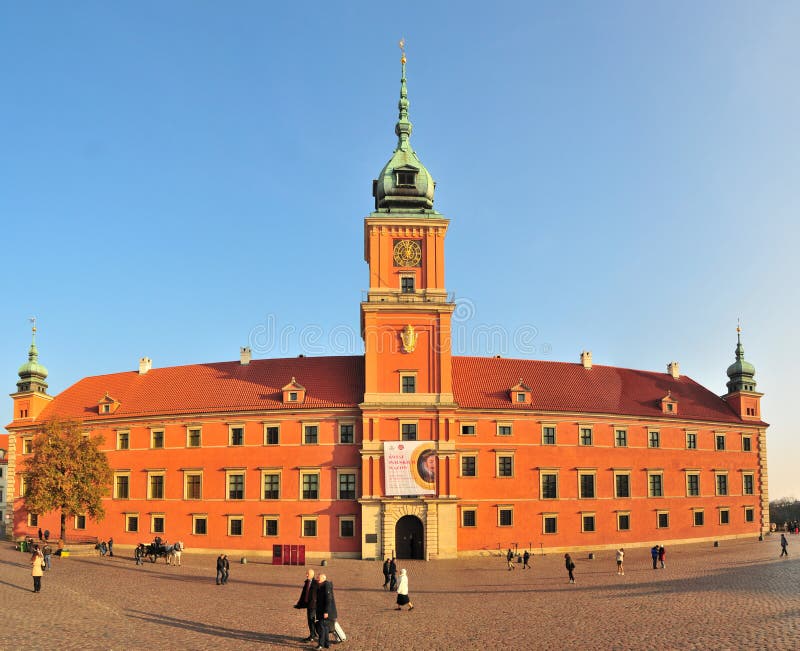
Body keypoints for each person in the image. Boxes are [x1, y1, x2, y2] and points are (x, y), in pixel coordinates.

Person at [295, 568, 318, 643]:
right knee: (310, 620)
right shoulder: (307, 582)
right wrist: (299, 604)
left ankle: (313, 635)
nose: (306, 575)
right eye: (306, 573)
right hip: (309, 605)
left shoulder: (316, 583)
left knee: (311, 620)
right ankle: (313, 634)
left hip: (313, 605)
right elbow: (304, 594)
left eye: (308, 573)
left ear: (312, 574)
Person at [315, 573, 338, 650]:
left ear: (323, 579)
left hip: (326, 611)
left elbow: (328, 600)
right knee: (325, 627)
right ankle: (327, 643)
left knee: (321, 627)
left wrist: (326, 612)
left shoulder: (326, 586)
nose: (317, 579)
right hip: (324, 611)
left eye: (318, 578)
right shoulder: (322, 586)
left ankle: (320, 644)